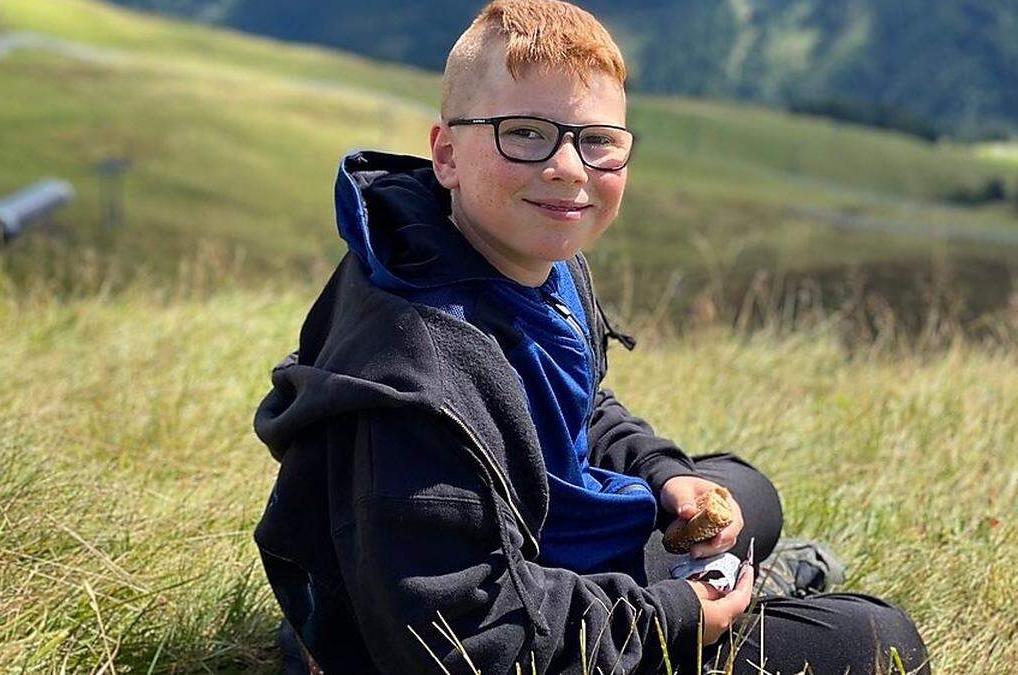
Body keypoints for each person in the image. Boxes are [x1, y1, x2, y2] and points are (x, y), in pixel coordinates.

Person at [252, 1, 929, 672]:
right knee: (879, 640)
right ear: (447, 153)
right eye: (524, 133)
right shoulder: (419, 384)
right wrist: (680, 615)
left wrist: (666, 479)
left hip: (547, 544)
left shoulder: (524, 253)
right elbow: (472, 647)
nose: (569, 168)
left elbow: (576, 406)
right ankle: (731, 591)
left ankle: (724, 573)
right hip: (459, 630)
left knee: (745, 495)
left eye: (597, 140)